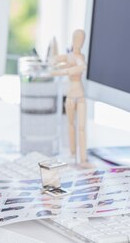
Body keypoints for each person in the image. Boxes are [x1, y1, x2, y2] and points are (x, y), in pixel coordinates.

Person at [52, 29, 87, 164]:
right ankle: (73, 154)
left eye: (80, 40)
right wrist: (53, 63)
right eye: (75, 39)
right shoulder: (69, 56)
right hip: (70, 95)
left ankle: (83, 158)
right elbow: (55, 59)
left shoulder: (80, 58)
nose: (77, 42)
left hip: (80, 94)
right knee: (70, 124)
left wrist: (62, 71)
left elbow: (81, 67)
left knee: (81, 127)